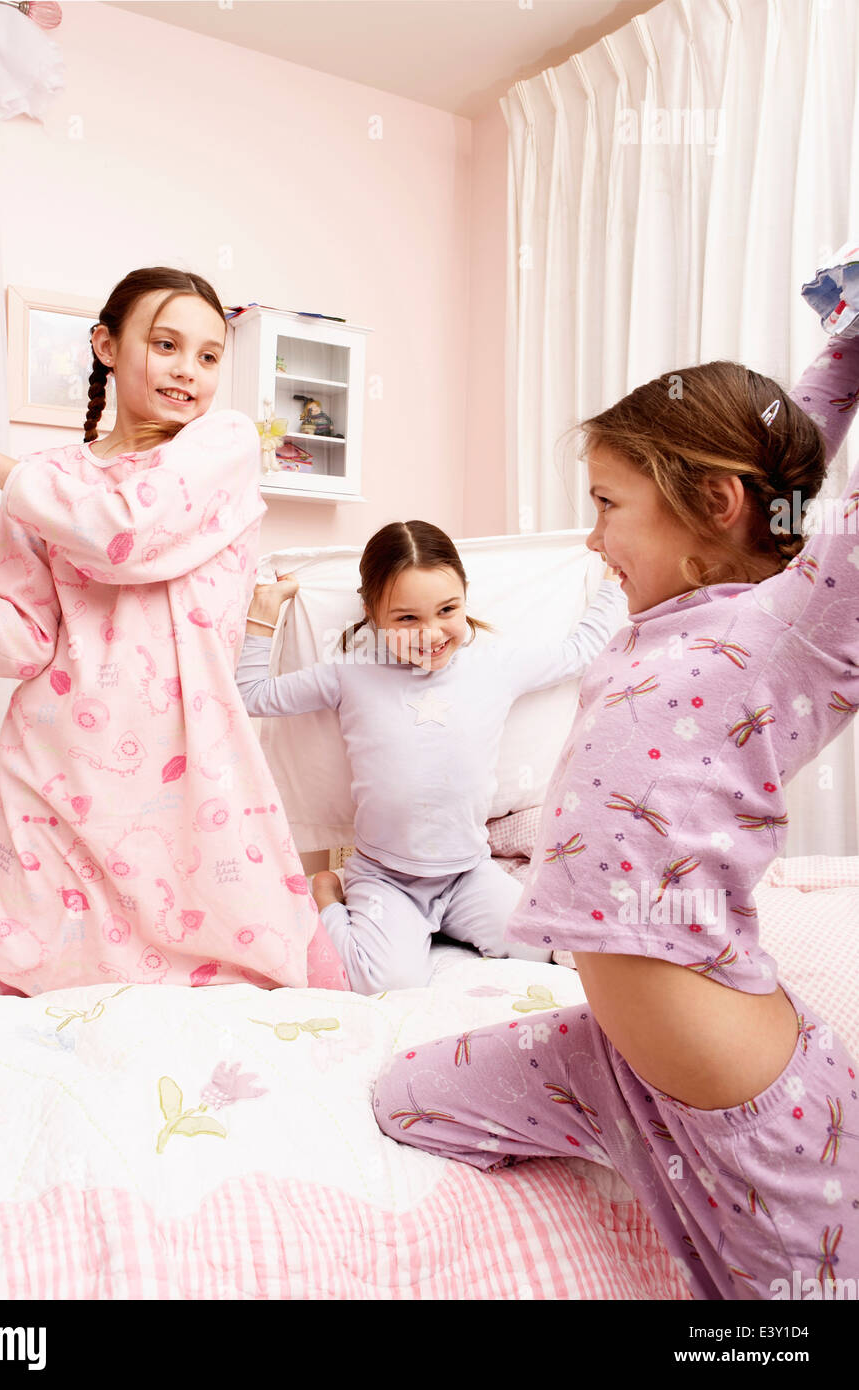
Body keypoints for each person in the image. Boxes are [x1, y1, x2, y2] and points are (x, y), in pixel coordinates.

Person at [372, 333, 859, 1299]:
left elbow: (802, 507)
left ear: (713, 506)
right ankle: (636, 1157)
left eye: (605, 505)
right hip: (616, 1064)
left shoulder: (788, 629)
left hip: (737, 1089)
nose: (591, 539)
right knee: (403, 1100)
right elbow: (790, 450)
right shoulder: (669, 622)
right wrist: (846, 346)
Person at [0, 266, 347, 996]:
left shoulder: (221, 449)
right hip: (53, 771)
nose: (189, 372)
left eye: (207, 356)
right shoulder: (45, 479)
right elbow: (16, 637)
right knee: (36, 987)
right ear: (106, 344)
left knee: (231, 983)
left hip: (190, 768)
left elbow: (124, 535)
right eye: (166, 344)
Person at [236, 519, 626, 992]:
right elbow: (251, 694)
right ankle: (328, 895)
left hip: (467, 872)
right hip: (387, 876)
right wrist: (263, 614)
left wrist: (610, 583)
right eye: (406, 619)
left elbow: (582, 650)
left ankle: (445, 922)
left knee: (538, 948)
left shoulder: (496, 664)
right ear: (371, 613)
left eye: (447, 610)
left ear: (465, 597)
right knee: (385, 983)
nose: (432, 632)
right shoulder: (351, 674)